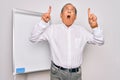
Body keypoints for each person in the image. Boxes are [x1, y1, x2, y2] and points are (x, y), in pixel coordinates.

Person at [30, 3, 104, 80]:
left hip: (75, 75)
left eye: (72, 10)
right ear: (61, 15)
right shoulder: (52, 29)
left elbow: (100, 41)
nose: (69, 11)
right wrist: (43, 22)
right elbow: (33, 38)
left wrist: (94, 26)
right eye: (66, 9)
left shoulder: (82, 31)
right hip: (56, 73)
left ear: (75, 17)